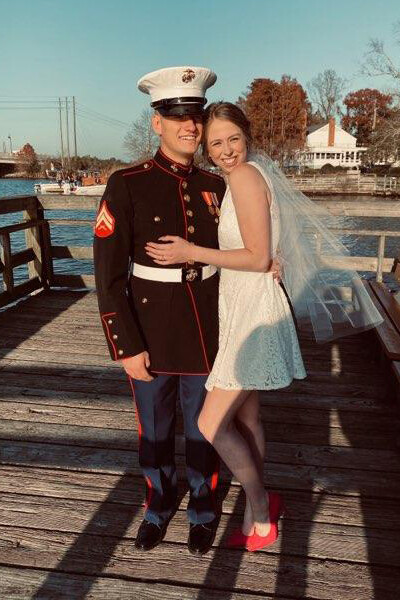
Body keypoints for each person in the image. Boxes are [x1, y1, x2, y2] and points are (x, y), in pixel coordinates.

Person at [145, 101, 383, 552]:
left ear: (247, 136)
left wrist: (190, 252)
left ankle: (258, 508)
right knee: (248, 414)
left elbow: (254, 257)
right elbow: (261, 249)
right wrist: (269, 257)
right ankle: (266, 498)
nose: (226, 149)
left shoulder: (247, 178)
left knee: (211, 422)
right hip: (240, 306)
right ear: (208, 149)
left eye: (233, 138)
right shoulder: (239, 179)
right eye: (216, 143)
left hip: (253, 310)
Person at [93, 67, 227, 556]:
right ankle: (157, 504)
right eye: (177, 117)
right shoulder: (126, 183)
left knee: (205, 427)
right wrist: (125, 345)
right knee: (154, 429)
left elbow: (238, 253)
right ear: (157, 123)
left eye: (195, 115)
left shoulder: (218, 183)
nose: (189, 126)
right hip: (149, 327)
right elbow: (107, 276)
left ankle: (204, 508)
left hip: (208, 326)